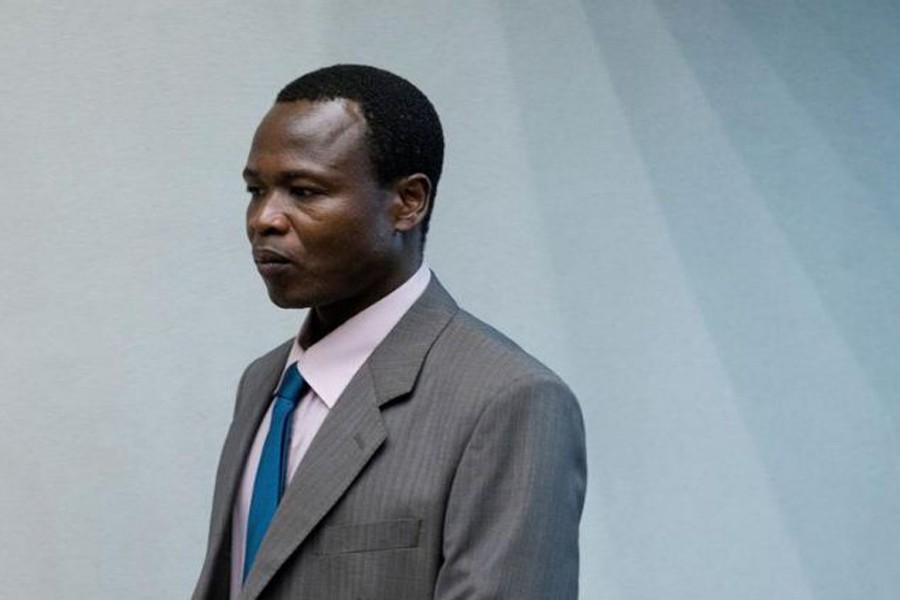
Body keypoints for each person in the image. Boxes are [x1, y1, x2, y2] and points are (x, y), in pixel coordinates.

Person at [192, 64, 586, 600]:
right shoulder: (264, 385)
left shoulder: (508, 401)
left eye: (303, 192)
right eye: (255, 190)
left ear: (408, 202)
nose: (264, 218)